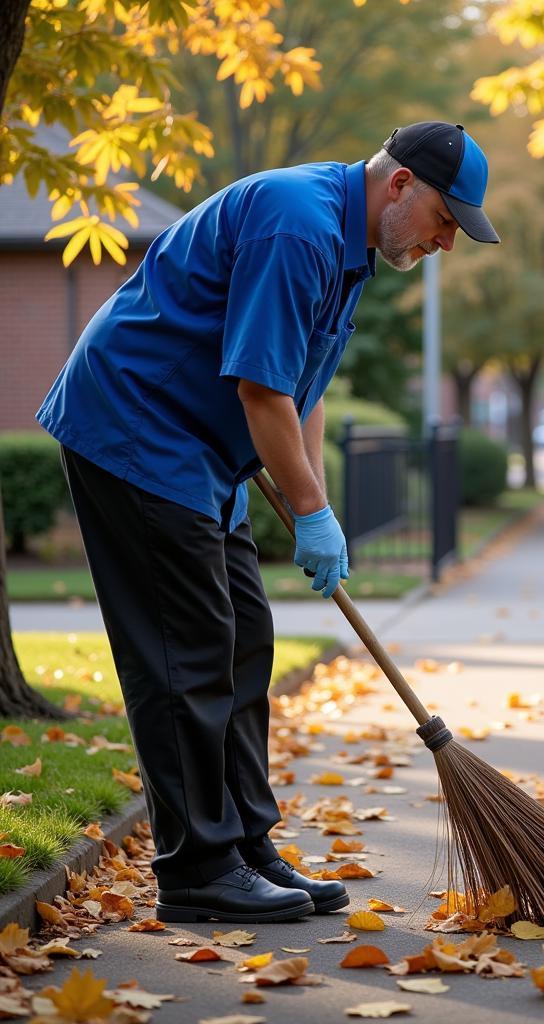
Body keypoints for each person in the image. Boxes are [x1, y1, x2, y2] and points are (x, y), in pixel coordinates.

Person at [36, 122, 499, 924]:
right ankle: (197, 869)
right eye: (445, 220)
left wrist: (314, 503)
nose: (446, 243)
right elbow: (260, 390)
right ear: (400, 186)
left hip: (198, 451)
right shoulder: (299, 222)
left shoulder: (351, 249)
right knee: (188, 653)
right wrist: (311, 514)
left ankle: (244, 842)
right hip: (137, 428)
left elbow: (302, 386)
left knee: (246, 635)